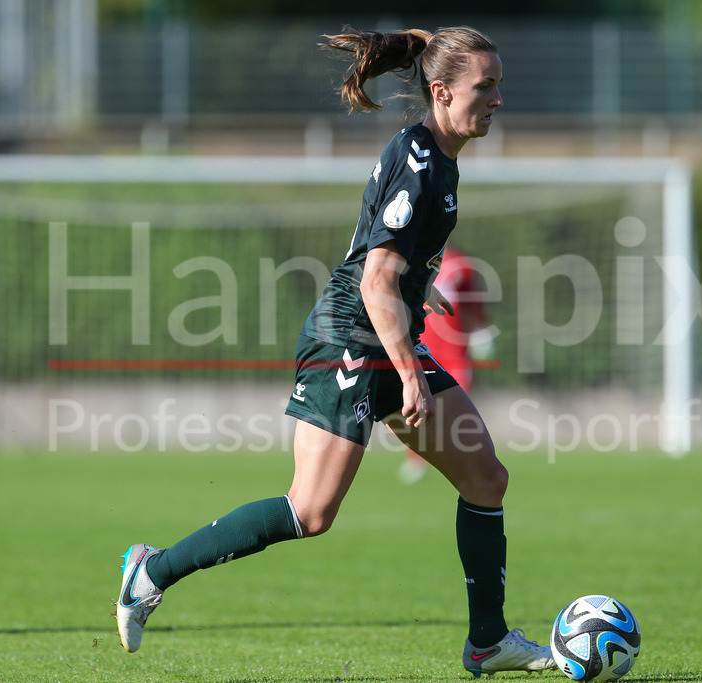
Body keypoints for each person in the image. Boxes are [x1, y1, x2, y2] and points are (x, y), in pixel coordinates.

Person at [115, 25, 555, 677]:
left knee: (486, 478)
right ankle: (151, 571)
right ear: (441, 91)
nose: (497, 99)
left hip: (387, 331)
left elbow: (387, 257)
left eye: (498, 85)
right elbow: (374, 280)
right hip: (350, 338)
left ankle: (487, 641)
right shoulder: (419, 162)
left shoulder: (438, 157)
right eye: (484, 87)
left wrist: (420, 284)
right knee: (311, 510)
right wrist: (409, 369)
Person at [398, 244, 494, 483]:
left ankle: (463, 458)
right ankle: (416, 459)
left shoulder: (461, 264)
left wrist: (481, 330)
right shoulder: (412, 258)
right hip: (422, 350)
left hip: (455, 354)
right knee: (417, 408)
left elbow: (473, 304)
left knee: (460, 412)